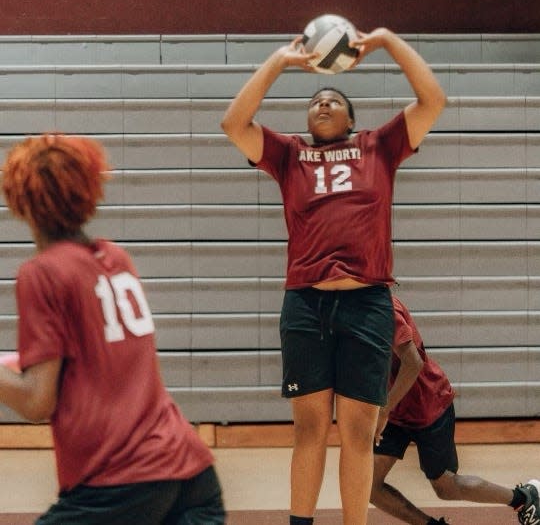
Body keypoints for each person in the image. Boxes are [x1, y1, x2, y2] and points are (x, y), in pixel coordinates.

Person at [221, 26, 447, 525]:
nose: (321, 106)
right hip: (305, 303)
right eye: (315, 101)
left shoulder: (379, 147)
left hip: (367, 304)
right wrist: (279, 62)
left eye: (333, 100)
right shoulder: (289, 153)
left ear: (351, 117)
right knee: (308, 429)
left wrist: (387, 40)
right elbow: (234, 122)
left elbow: (433, 99)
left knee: (358, 431)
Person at [0, 132, 225, 525]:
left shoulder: (42, 272)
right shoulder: (115, 257)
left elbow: (38, 402)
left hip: (120, 480)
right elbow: (95, 353)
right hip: (192, 473)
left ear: (19, 199)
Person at [371, 294, 540, 525]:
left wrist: (384, 409)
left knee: (446, 487)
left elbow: (413, 363)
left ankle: (524, 497)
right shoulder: (353, 306)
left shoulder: (385, 308)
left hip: (428, 406)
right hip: (396, 410)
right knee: (369, 484)